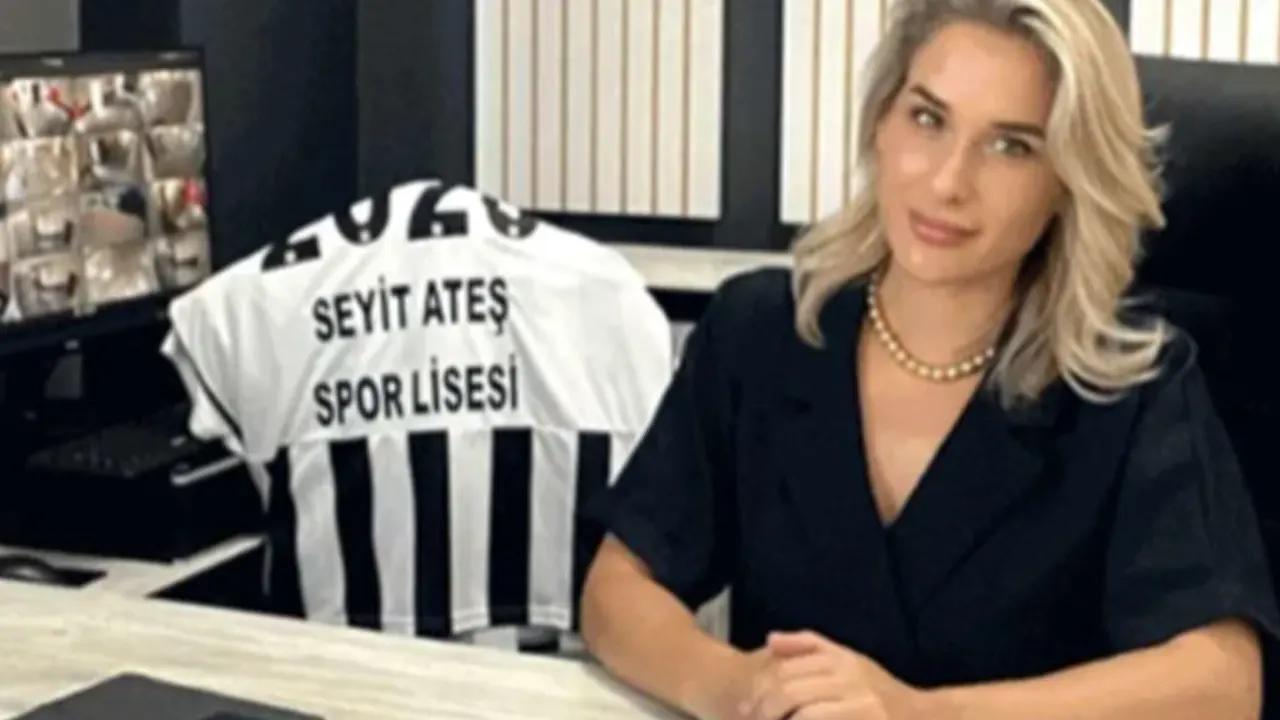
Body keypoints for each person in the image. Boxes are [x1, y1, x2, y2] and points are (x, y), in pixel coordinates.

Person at [579, 1, 1280, 718]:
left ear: (1068, 182)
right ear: (879, 124)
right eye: (927, 118)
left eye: (1011, 146)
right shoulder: (761, 332)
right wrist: (735, 686)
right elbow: (617, 588)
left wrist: (921, 713)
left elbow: (1222, 683)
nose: (948, 181)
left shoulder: (1135, 390)